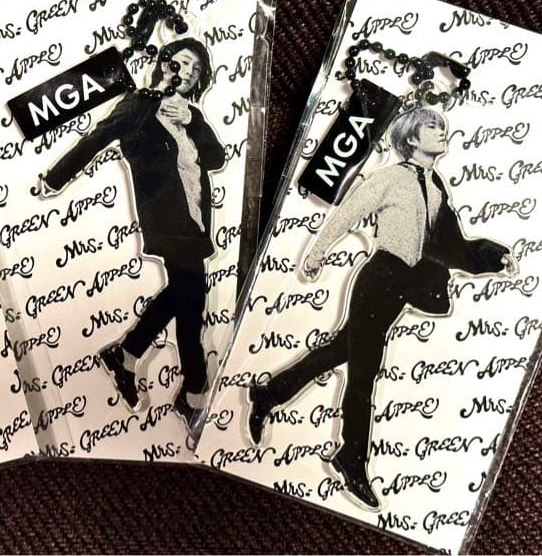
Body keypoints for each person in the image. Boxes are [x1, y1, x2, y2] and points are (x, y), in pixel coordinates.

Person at [246, 107, 513, 510]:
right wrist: (315, 256)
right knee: (364, 372)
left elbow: (452, 246)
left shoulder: (435, 186)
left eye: (442, 127)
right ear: (410, 139)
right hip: (378, 280)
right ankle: (351, 458)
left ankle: (268, 394)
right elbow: (346, 214)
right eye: (432, 128)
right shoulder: (389, 178)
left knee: (340, 351)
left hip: (405, 284)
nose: (442, 133)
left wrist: (494, 256)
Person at [40, 38, 224, 427]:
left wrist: (192, 121)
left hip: (195, 220)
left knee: (182, 295)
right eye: (184, 63)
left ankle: (124, 354)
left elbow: (216, 158)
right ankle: (193, 393)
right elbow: (96, 137)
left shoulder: (191, 113)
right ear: (165, 62)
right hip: (166, 217)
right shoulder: (139, 103)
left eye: (197, 70)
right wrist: (54, 177)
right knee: (192, 305)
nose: (189, 73)